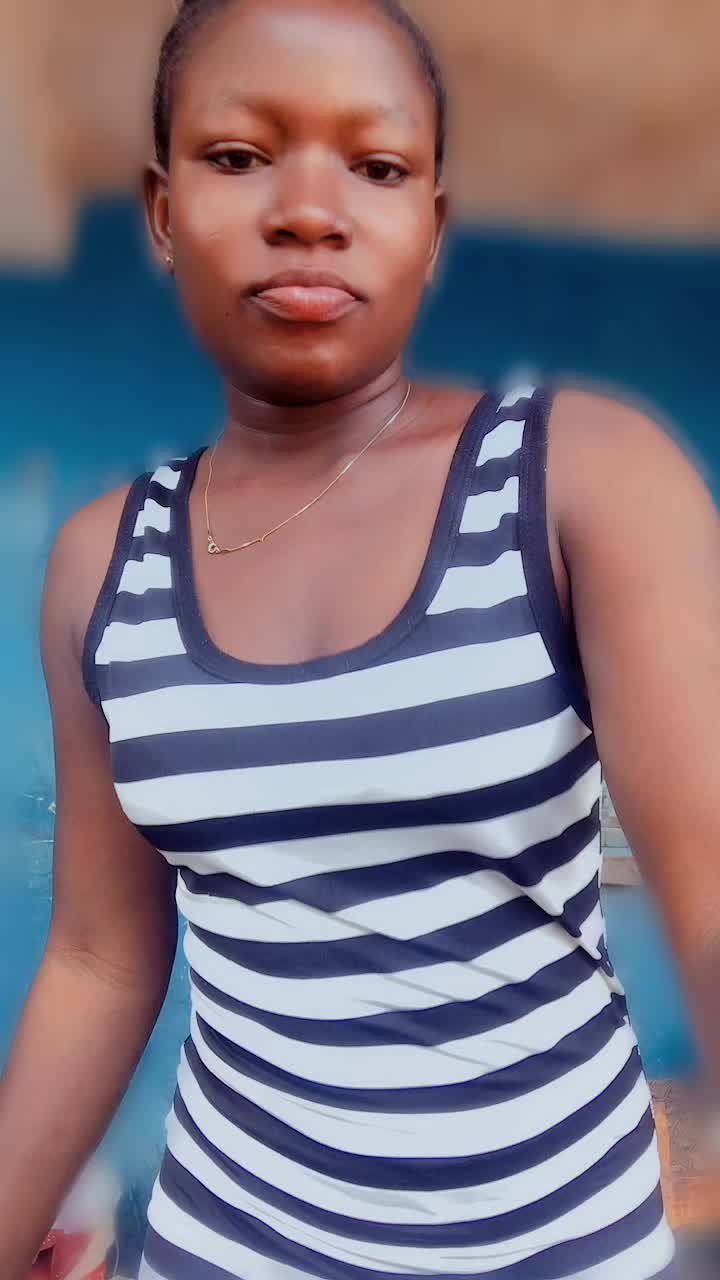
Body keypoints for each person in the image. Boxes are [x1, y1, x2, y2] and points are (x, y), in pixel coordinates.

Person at [1, 0, 719, 1276]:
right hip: (225, 1245)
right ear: (161, 210)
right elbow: (101, 957)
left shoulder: (581, 477)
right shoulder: (100, 564)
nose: (309, 210)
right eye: (240, 155)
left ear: (432, 225)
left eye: (377, 166)